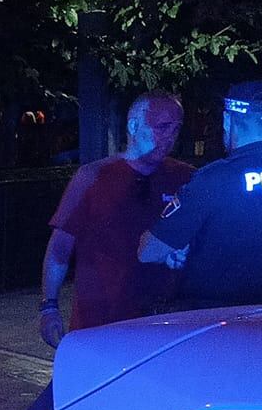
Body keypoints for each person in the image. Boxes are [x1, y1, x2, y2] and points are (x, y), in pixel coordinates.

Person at [139, 80, 262, 308]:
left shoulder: (213, 178)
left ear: (227, 120)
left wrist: (183, 248)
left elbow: (148, 251)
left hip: (209, 318)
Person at [38, 92, 191, 350]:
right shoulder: (94, 177)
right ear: (133, 125)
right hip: (100, 324)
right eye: (162, 127)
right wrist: (49, 307)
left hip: (163, 326)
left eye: (176, 129)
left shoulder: (185, 178)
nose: (170, 137)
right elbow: (60, 248)